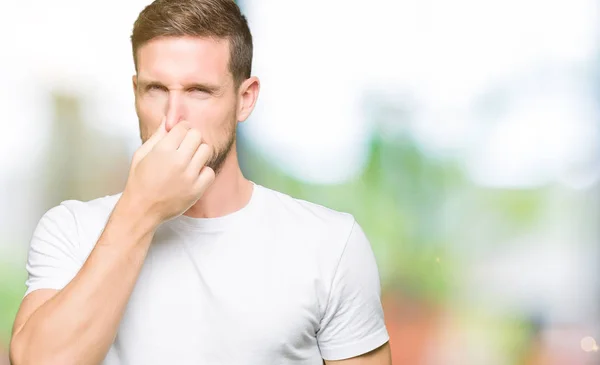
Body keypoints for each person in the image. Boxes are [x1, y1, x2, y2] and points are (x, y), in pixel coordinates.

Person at [9, 0, 392, 364]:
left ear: (245, 99)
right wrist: (141, 209)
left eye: (199, 91)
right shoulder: (70, 230)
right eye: (156, 89)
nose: (173, 118)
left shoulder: (330, 244)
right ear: (135, 93)